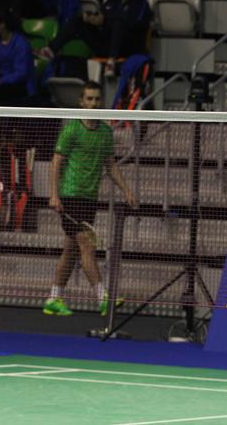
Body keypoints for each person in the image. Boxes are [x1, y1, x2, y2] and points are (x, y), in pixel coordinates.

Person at [43, 81, 136, 316]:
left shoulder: (105, 132)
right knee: (87, 244)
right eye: (89, 99)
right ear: (81, 102)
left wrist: (126, 190)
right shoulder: (72, 129)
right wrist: (54, 194)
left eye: (97, 99)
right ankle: (103, 298)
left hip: (89, 198)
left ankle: (54, 298)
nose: (93, 103)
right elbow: (56, 162)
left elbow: (110, 165)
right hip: (70, 195)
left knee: (71, 249)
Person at [37, 0, 152, 77]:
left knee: (119, 23)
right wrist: (92, 19)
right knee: (79, 20)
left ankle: (111, 62)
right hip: (106, 44)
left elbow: (130, 24)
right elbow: (102, 18)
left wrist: (104, 21)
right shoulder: (111, 2)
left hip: (128, 48)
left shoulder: (141, 4)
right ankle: (50, 50)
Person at [0, 8, 35, 105]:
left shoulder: (21, 43)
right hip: (1, 83)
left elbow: (21, 73)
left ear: (2, 25)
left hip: (20, 87)